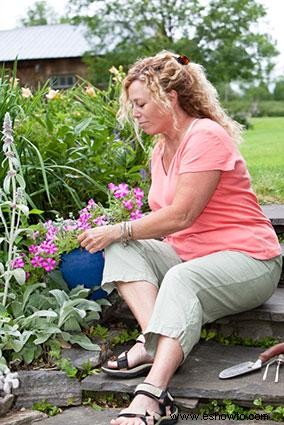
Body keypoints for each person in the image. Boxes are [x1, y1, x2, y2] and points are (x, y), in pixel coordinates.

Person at [78, 50, 282, 425]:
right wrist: (119, 234)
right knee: (122, 247)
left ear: (169, 98)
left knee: (174, 274)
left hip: (249, 260)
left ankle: (152, 395)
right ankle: (154, 342)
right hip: (190, 256)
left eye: (140, 103)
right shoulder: (161, 148)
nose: (135, 112)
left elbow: (182, 214)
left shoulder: (205, 135)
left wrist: (119, 226)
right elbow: (162, 221)